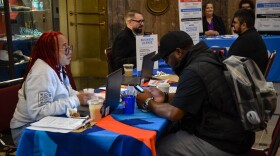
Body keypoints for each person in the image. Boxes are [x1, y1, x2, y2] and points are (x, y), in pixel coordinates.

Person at [136, 31, 254, 155]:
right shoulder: (207, 56)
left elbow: (175, 114)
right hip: (237, 133)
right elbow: (196, 96)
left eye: (166, 58)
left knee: (159, 148)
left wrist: (147, 102)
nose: (166, 63)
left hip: (225, 142)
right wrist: (165, 96)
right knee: (170, 131)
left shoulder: (193, 70)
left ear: (178, 52)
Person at [10, 31, 93, 146]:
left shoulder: (56, 66)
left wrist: (84, 96)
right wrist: (76, 99)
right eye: (65, 48)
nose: (70, 52)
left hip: (47, 123)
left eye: (69, 47)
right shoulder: (43, 73)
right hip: (27, 130)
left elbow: (66, 91)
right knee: (82, 144)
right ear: (50, 51)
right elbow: (39, 112)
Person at [228, 9, 268, 73]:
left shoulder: (246, 39)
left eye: (235, 22)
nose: (233, 24)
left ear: (243, 25)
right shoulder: (252, 35)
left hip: (248, 79)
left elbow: (229, 61)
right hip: (251, 74)